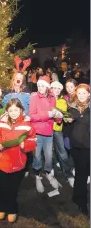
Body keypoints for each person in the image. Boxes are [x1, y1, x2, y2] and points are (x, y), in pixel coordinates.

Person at [0, 98, 36, 223]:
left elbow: (32, 140)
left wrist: (25, 145)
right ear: (7, 111)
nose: (14, 113)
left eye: (16, 110)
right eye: (11, 110)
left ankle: (12, 209)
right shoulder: (0, 123)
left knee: (13, 188)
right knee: (2, 187)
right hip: (2, 161)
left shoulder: (27, 125)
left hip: (18, 162)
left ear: (21, 110)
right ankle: (1, 207)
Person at [29, 76, 62, 193]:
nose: (40, 88)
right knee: (37, 156)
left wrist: (59, 117)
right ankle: (38, 176)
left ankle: (48, 174)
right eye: (38, 85)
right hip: (37, 132)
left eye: (42, 85)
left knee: (49, 156)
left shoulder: (52, 97)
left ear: (48, 87)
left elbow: (53, 113)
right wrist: (47, 114)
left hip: (49, 131)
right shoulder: (34, 97)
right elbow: (32, 116)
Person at [67, 84, 90, 215]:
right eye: (79, 93)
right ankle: (81, 201)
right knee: (81, 173)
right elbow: (68, 127)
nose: (81, 96)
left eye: (84, 93)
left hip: (88, 146)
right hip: (76, 146)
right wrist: (67, 121)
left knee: (83, 173)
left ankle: (77, 196)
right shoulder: (72, 108)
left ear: (89, 94)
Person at [50, 81, 74, 187]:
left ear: (60, 90)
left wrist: (61, 117)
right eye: (54, 88)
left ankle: (68, 174)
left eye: (58, 88)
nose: (56, 90)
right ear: (50, 89)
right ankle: (49, 173)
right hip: (46, 130)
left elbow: (63, 115)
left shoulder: (62, 101)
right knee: (48, 153)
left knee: (62, 152)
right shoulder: (46, 99)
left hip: (58, 129)